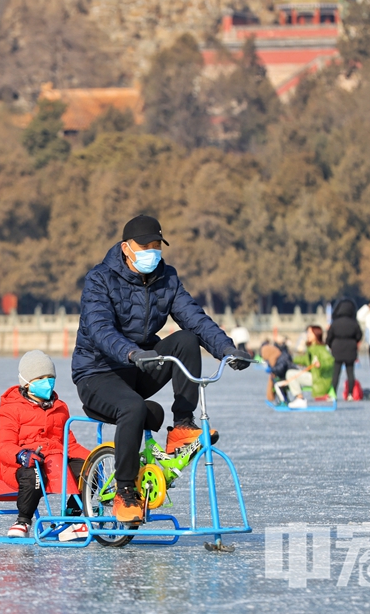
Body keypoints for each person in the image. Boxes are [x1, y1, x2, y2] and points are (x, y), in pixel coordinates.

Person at [71, 214, 251, 525]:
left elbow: (194, 317)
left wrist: (226, 349)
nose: (152, 252)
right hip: (98, 373)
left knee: (185, 339)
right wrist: (131, 352)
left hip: (139, 366)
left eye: (157, 246)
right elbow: (99, 329)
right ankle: (125, 492)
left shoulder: (166, 277)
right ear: (127, 248)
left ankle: (182, 425)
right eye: (145, 247)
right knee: (133, 407)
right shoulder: (99, 279)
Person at [0, 351, 90, 540]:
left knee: (89, 470)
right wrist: (21, 455)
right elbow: (2, 445)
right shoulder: (10, 409)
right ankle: (23, 520)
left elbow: (69, 444)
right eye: (40, 378)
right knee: (33, 473)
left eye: (50, 378)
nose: (47, 382)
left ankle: (69, 520)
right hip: (20, 465)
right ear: (27, 382)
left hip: (54, 462)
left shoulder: (60, 407)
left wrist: (94, 457)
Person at [325, 298, 363, 400]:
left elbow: (329, 337)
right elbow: (359, 336)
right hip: (350, 348)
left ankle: (333, 394)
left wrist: (331, 345)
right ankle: (350, 394)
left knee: (336, 374)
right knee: (350, 373)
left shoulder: (335, 323)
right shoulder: (354, 323)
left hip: (337, 348)